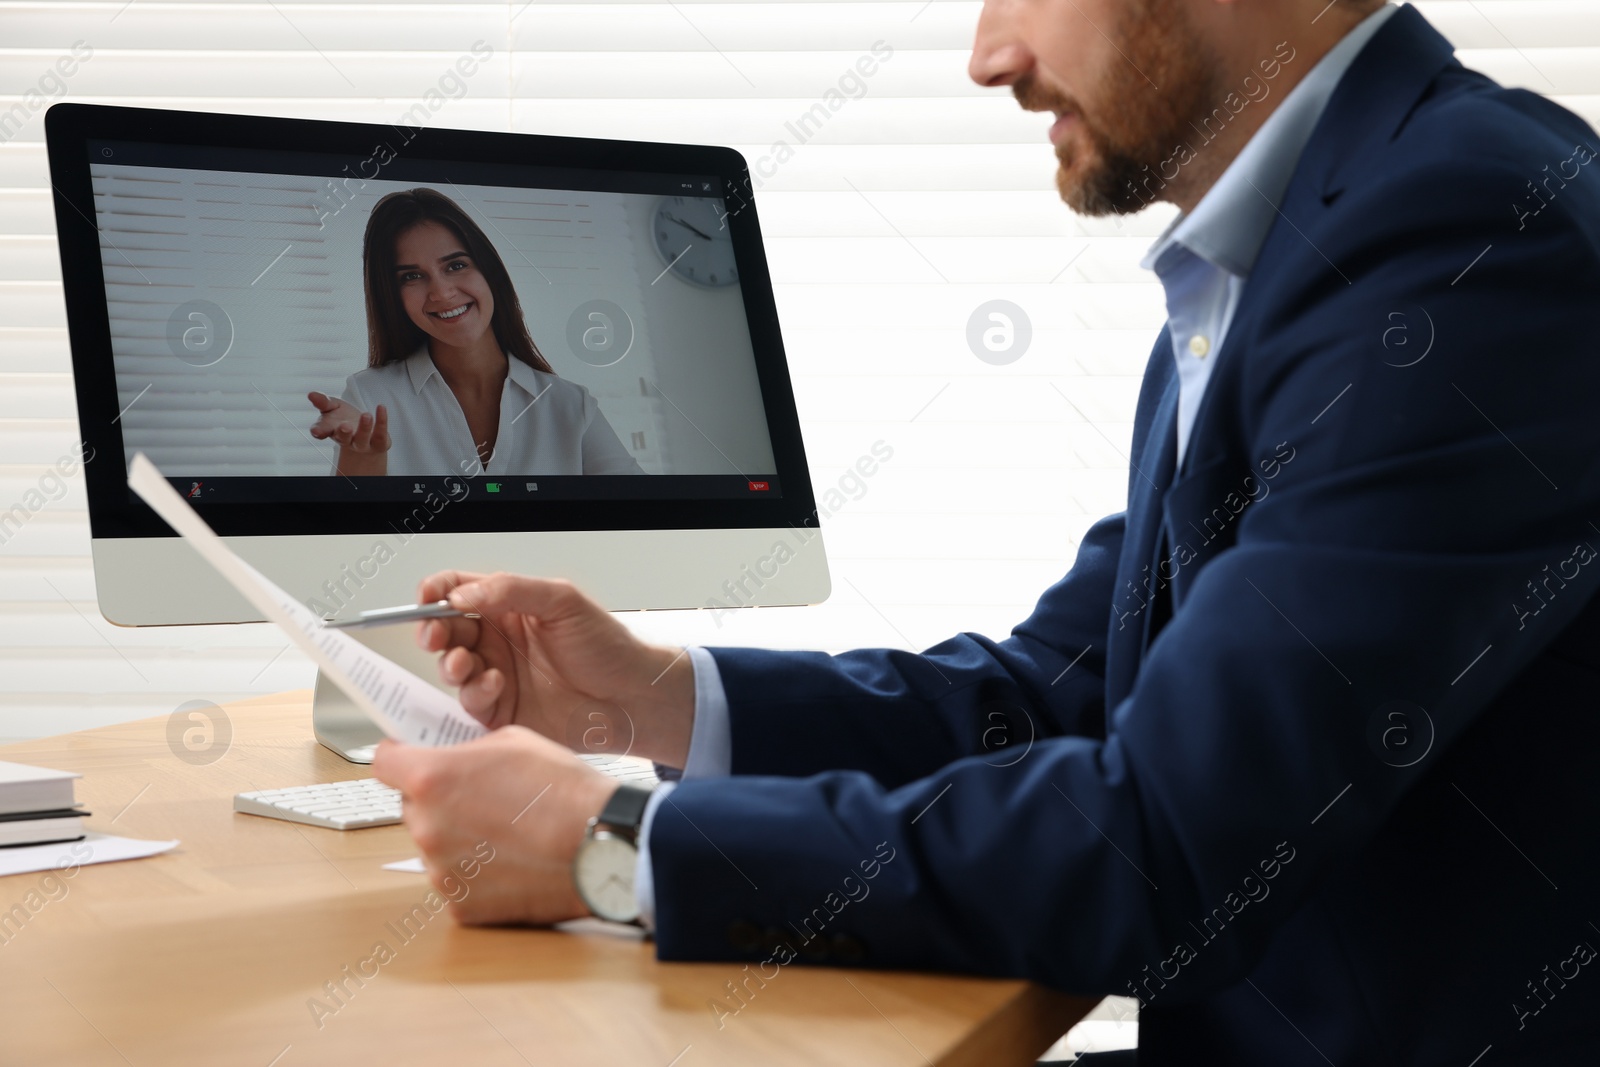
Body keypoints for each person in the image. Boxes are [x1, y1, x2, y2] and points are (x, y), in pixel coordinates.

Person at [370, 1, 1600, 1062]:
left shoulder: (1456, 237)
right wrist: (653, 702)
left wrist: (615, 844)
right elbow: (1058, 693)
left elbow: (1171, 835)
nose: (988, 55)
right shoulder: (1286, 247)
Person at [306, 187, 642, 477]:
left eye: (455, 265)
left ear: (489, 271)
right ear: (392, 297)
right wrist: (363, 459)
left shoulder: (569, 405)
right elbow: (354, 534)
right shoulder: (369, 396)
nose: (441, 292)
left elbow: (643, 519)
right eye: (411, 276)